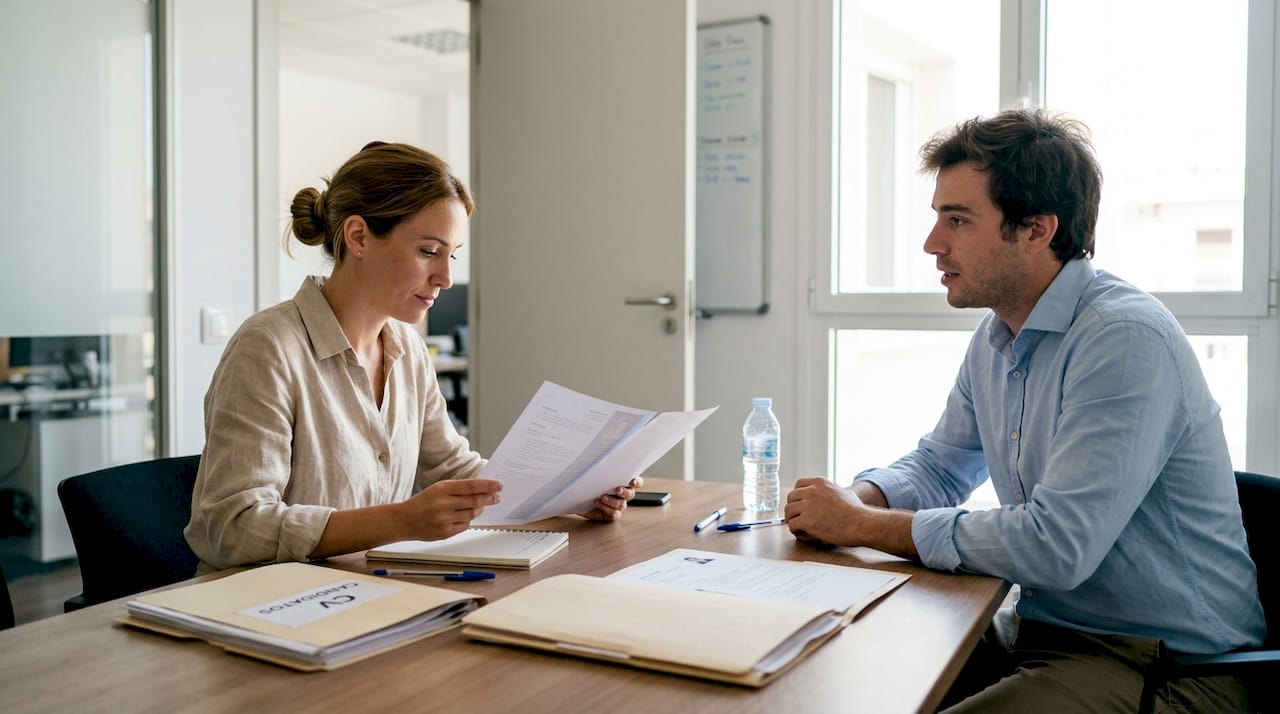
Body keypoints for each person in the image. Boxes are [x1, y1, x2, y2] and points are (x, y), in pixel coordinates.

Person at [784, 110, 1265, 712]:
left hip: (1169, 667)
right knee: (844, 675)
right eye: (938, 217)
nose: (933, 243)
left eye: (957, 220)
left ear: (1036, 229)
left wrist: (859, 527)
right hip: (1050, 634)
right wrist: (859, 498)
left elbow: (1054, 546)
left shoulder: (1124, 338)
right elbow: (940, 467)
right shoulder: (1000, 333)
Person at [185, 141, 640, 573]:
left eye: (452, 256)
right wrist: (401, 521)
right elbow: (233, 526)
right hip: (267, 606)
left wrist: (574, 494)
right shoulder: (268, 348)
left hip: (366, 587)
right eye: (428, 252)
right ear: (359, 236)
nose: (444, 277)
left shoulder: (407, 350)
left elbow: (454, 470)